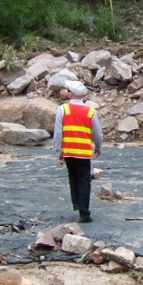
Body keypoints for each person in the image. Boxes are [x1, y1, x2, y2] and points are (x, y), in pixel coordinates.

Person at [53, 81, 102, 223]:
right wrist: (98, 147)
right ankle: (84, 213)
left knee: (73, 178)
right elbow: (97, 134)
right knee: (84, 180)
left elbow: (58, 133)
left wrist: (58, 151)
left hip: (68, 151)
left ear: (71, 94)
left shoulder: (63, 110)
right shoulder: (90, 112)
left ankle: (77, 204)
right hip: (84, 153)